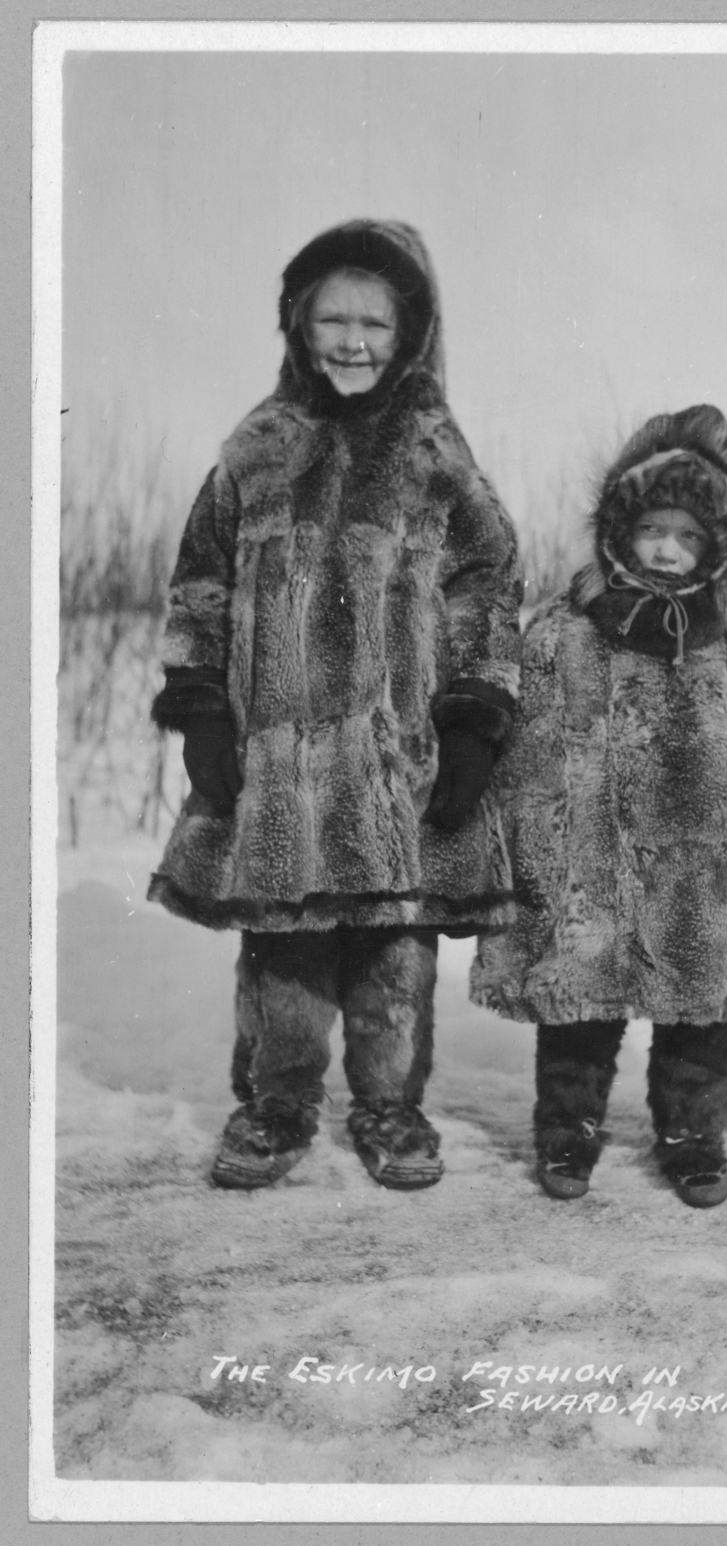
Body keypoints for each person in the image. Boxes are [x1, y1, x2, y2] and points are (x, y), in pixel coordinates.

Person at [149, 220, 522, 1193]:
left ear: (410, 332)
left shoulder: (433, 448)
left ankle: (391, 1111)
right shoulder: (258, 446)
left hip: (396, 763)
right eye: (332, 319)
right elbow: (201, 584)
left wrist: (475, 717)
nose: (353, 340)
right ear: (298, 325)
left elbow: (486, 581)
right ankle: (274, 1106)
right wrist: (199, 710)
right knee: (285, 949)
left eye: (375, 321)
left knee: (393, 949)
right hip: (281, 765)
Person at [471, 405, 727, 1207]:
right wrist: (524, 845)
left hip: (707, 879)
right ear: (618, 528)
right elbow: (525, 752)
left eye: (688, 535)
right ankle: (566, 1132)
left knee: (701, 1011)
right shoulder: (565, 633)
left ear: (721, 545)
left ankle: (692, 1136)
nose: (667, 549)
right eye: (651, 529)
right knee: (578, 1002)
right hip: (593, 869)